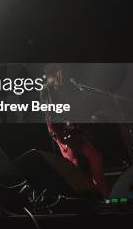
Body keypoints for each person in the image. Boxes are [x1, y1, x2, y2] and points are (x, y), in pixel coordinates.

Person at [43, 64, 111, 197]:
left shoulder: (67, 87)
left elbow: (76, 107)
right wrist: (65, 122)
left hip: (74, 130)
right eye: (59, 72)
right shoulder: (47, 90)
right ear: (55, 73)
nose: (62, 75)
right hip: (60, 131)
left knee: (95, 157)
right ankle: (83, 195)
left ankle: (101, 189)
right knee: (74, 164)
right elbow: (50, 115)